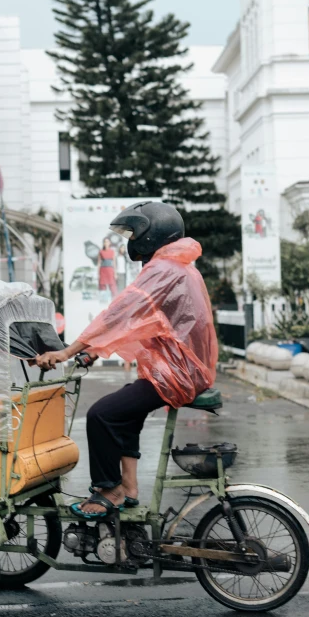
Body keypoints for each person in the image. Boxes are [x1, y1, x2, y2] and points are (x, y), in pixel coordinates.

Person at [35, 201, 218, 518]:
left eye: (135, 232)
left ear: (152, 233)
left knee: (101, 415)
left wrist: (67, 352)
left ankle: (108, 490)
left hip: (178, 374)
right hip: (181, 370)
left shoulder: (165, 269)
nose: (131, 240)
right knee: (125, 416)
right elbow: (141, 323)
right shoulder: (178, 265)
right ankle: (129, 488)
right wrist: (92, 349)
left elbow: (119, 314)